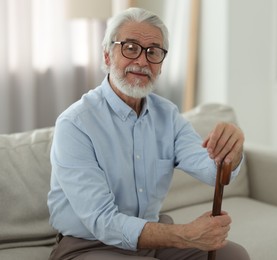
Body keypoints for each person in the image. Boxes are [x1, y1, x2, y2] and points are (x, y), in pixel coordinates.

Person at [47, 7, 249, 260]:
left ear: (161, 64)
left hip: (153, 240)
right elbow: (102, 221)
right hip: (89, 243)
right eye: (130, 48)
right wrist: (185, 234)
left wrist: (232, 150)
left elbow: (212, 172)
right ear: (108, 56)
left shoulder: (168, 115)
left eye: (153, 52)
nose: (142, 61)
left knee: (233, 256)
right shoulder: (75, 124)